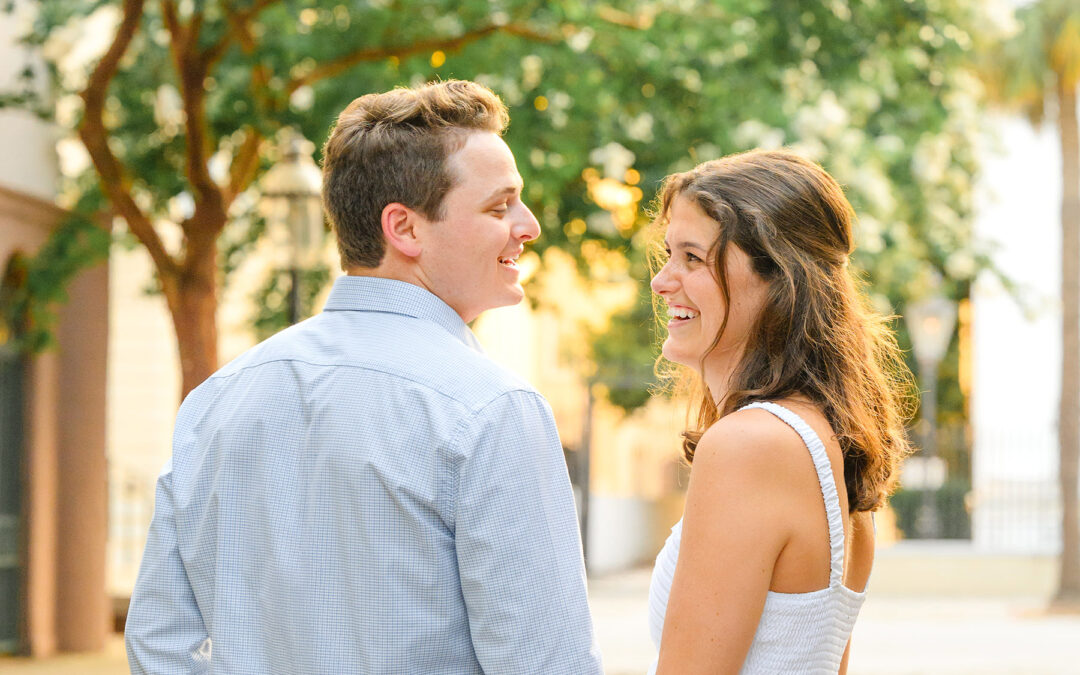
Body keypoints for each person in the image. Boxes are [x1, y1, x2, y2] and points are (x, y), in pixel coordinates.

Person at [125, 80, 603, 675]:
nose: (528, 226)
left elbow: (160, 642)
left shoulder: (216, 402)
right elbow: (547, 663)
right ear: (405, 228)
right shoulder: (492, 409)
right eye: (499, 206)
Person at [646, 150, 913, 674]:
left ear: (779, 281)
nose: (661, 281)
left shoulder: (750, 445)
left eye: (693, 258)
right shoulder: (827, 442)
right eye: (668, 254)